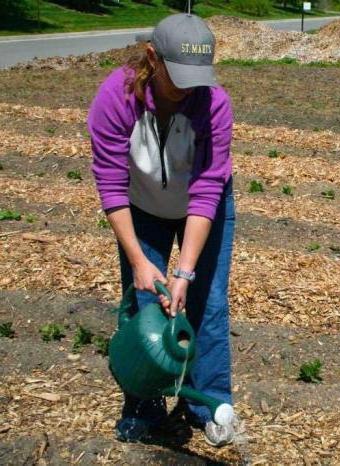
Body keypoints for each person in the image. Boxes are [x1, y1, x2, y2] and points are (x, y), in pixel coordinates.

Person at [87, 13, 239, 445]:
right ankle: (143, 405)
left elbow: (209, 187)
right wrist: (139, 260)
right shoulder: (116, 97)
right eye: (179, 76)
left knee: (207, 304)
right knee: (144, 302)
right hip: (142, 208)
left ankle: (206, 405)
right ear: (152, 58)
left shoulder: (214, 103)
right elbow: (111, 184)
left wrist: (185, 271)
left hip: (203, 208)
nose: (189, 87)